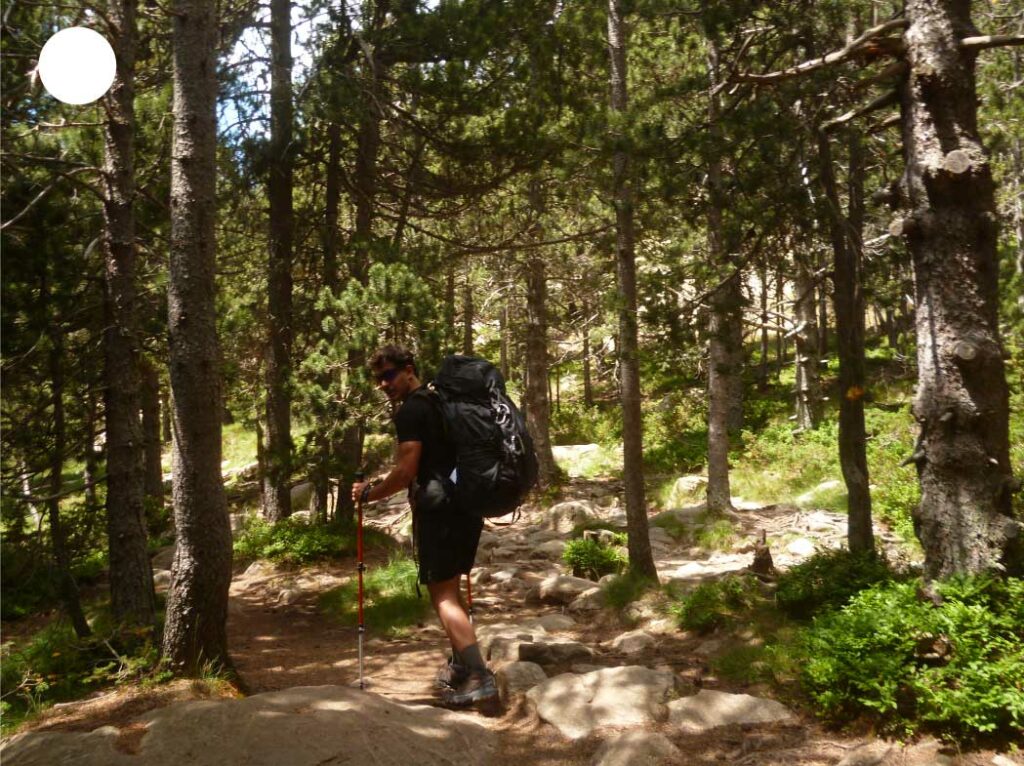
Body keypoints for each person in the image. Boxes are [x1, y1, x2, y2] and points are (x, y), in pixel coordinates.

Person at [351, 345, 498, 708]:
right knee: (450, 588)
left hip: (440, 507)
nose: (383, 384)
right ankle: (463, 667)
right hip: (466, 503)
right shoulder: (440, 403)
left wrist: (369, 493)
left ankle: (480, 676)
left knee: (442, 594)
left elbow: (405, 471)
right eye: (378, 379)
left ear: (409, 370)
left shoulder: (413, 411)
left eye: (388, 376)